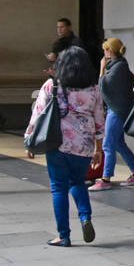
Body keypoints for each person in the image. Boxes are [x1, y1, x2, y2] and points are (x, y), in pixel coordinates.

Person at [24, 47, 105, 247]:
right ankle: (85, 217)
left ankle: (63, 235)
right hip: (84, 146)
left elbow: (38, 114)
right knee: (77, 182)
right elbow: (100, 121)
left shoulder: (52, 86)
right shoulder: (93, 89)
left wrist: (29, 139)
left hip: (57, 143)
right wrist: (98, 148)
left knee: (58, 188)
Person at [93, 37, 134, 191]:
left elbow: (103, 86)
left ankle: (106, 179)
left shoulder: (118, 67)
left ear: (110, 51)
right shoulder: (119, 66)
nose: (104, 53)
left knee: (108, 144)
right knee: (119, 143)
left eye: (105, 49)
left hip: (118, 111)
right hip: (119, 109)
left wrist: (101, 69)